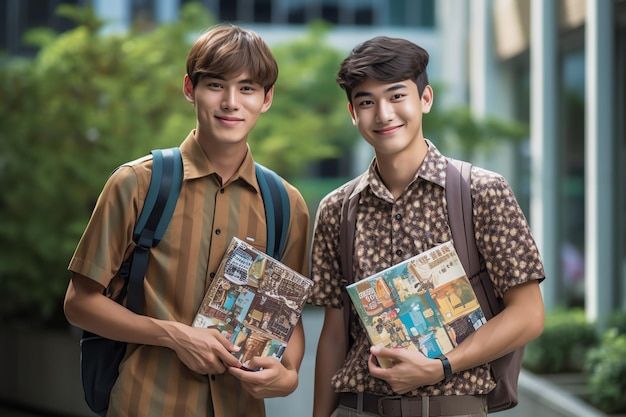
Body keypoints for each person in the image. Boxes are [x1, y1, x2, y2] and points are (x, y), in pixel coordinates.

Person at [64, 24, 310, 417]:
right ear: (189, 89)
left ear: (266, 99)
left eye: (247, 88)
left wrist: (290, 374)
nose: (231, 102)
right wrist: (174, 334)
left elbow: (288, 317)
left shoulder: (285, 203)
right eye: (216, 85)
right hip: (144, 404)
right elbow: (79, 303)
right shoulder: (138, 183)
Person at [308, 36, 545, 417]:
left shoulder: (481, 191)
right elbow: (334, 334)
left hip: (452, 405)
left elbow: (529, 314)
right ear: (353, 113)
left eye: (397, 96)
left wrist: (441, 366)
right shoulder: (337, 209)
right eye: (367, 101)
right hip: (359, 407)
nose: (384, 114)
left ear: (426, 99)